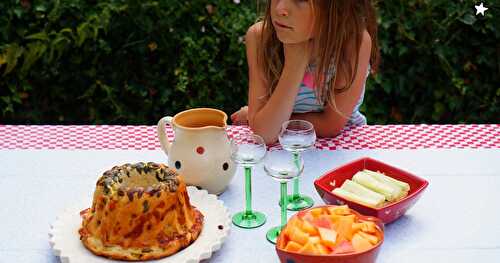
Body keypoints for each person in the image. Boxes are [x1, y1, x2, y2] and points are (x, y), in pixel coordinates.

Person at [230, 0, 380, 144]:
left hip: (345, 146)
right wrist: (295, 64)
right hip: (281, 151)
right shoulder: (260, 38)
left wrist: (260, 120)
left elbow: (330, 126)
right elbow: (265, 135)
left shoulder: (353, 43)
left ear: (335, 7)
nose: (279, 9)